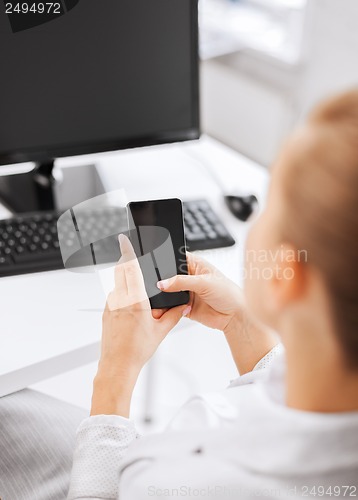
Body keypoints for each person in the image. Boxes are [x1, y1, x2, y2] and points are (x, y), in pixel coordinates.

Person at [67, 89, 358, 500]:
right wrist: (244, 327)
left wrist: (113, 375)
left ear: (285, 274)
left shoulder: (183, 484)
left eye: (270, 206)